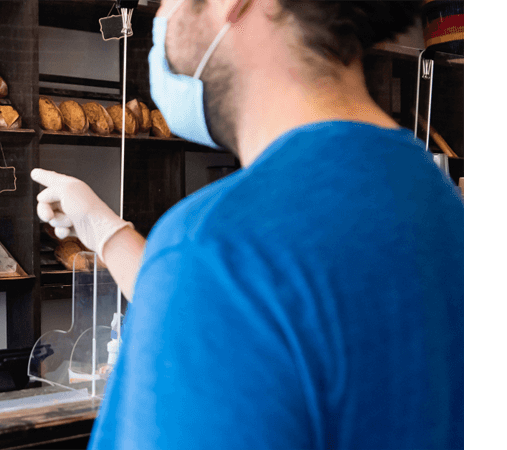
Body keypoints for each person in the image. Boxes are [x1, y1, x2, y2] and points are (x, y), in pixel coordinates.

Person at [32, 0, 463, 448]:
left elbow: (239, 295)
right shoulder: (441, 206)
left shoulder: (214, 251)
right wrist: (106, 232)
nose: (160, 18)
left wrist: (171, 264)